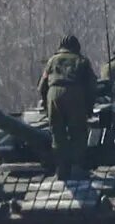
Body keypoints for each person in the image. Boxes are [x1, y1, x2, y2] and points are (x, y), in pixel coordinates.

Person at [37, 35, 98, 179]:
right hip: (73, 92)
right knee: (77, 131)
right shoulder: (81, 61)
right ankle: (76, 168)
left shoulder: (52, 61)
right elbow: (92, 86)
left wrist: (47, 107)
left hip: (53, 93)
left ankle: (61, 169)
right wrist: (88, 108)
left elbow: (41, 86)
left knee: (57, 133)